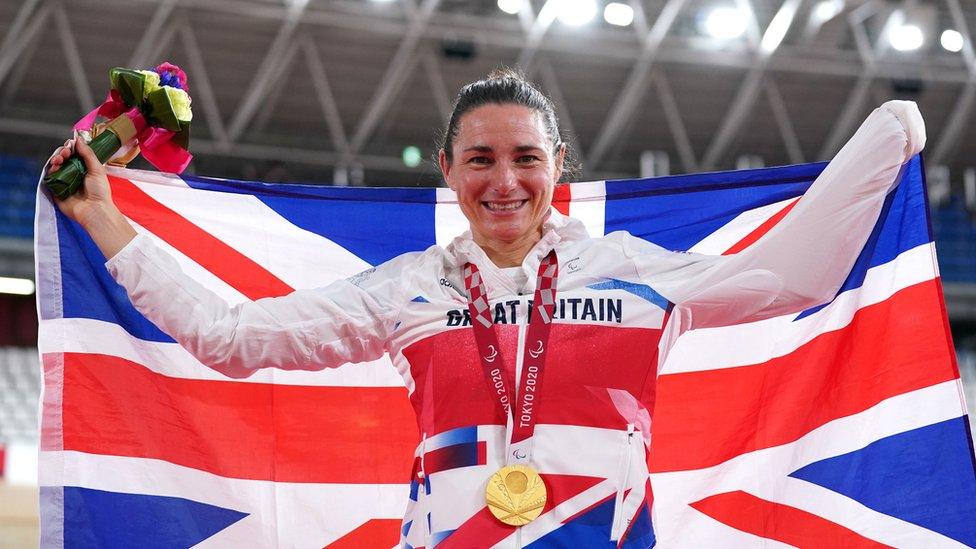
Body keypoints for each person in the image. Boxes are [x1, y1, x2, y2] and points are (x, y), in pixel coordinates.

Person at [47, 69, 925, 547]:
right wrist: (103, 215)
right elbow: (230, 338)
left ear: (558, 165)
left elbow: (795, 277)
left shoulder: (637, 272)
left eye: (525, 158)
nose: (504, 182)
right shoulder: (406, 289)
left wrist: (889, 136)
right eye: (480, 159)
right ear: (446, 168)